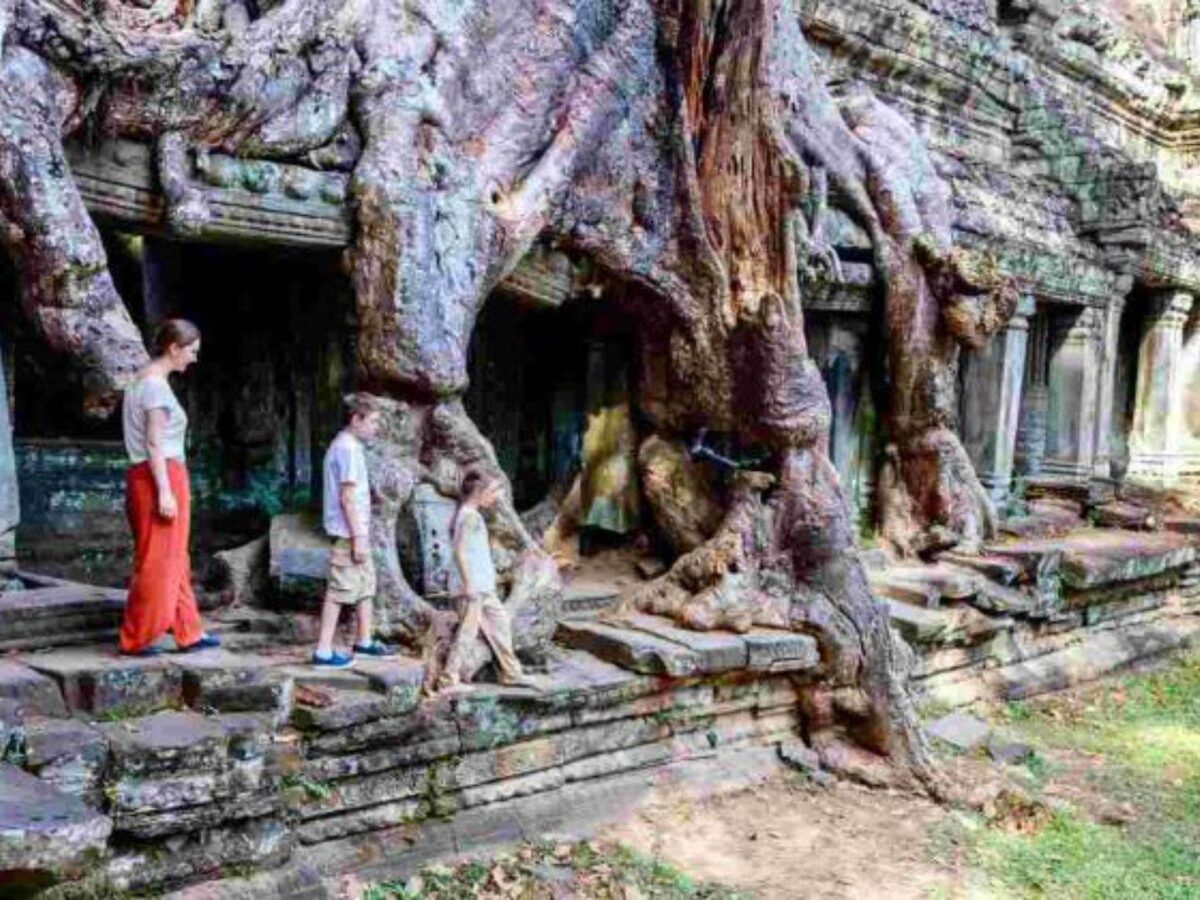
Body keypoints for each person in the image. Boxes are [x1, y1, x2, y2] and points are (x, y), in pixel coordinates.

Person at [119, 319, 219, 656]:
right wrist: (164, 491)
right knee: (158, 559)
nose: (194, 358)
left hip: (152, 474)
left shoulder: (141, 381)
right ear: (173, 348)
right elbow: (153, 443)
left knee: (175, 556)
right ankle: (136, 636)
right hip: (158, 475)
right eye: (192, 351)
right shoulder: (156, 388)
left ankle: (188, 629)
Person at [313, 395, 395, 668]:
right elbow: (347, 497)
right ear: (355, 419)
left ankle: (364, 641)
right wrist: (358, 537)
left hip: (357, 531)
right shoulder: (346, 449)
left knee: (365, 588)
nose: (376, 427)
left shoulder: (351, 446)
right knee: (339, 591)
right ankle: (323, 651)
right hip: (349, 534)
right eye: (372, 421)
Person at [439, 469, 533, 690]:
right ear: (479, 493)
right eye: (493, 491)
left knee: (500, 623)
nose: (497, 496)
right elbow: (460, 552)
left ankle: (511, 672)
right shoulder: (469, 516)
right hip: (472, 588)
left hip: (483, 587)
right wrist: (469, 586)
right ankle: (448, 679)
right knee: (467, 632)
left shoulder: (471, 514)